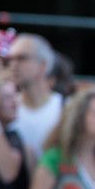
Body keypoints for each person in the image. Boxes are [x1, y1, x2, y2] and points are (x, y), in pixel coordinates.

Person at [8, 33, 63, 163]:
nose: (13, 65)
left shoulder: (65, 107)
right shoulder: (7, 108)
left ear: (42, 65)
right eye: (10, 59)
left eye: (22, 58)